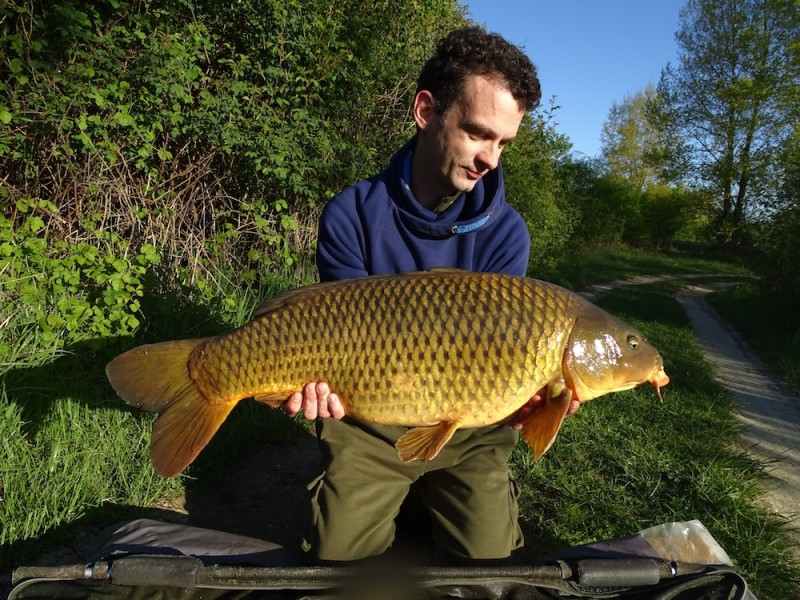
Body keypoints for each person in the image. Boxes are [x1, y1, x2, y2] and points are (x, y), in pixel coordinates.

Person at [282, 26, 579, 564]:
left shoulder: (507, 233)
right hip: (367, 421)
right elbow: (332, 341)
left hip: (469, 429)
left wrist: (538, 398)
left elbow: (507, 375)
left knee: (488, 562)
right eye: (477, 133)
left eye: (503, 143)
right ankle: (393, 494)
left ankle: (428, 497)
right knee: (337, 562)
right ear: (425, 112)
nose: (490, 157)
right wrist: (315, 387)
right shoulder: (351, 214)